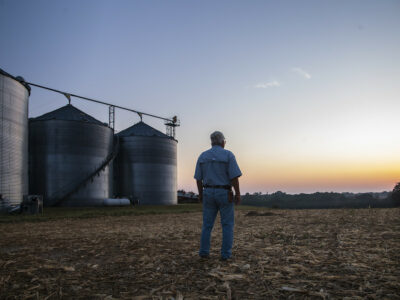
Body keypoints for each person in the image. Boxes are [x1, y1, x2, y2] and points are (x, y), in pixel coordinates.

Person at [194, 131, 242, 261]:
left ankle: (204, 252)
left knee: (207, 225)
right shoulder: (228, 155)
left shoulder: (203, 156)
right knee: (227, 225)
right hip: (224, 193)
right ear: (222, 142)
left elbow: (198, 179)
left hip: (208, 192)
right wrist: (237, 194)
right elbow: (234, 177)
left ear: (211, 142)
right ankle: (225, 255)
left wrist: (200, 194)